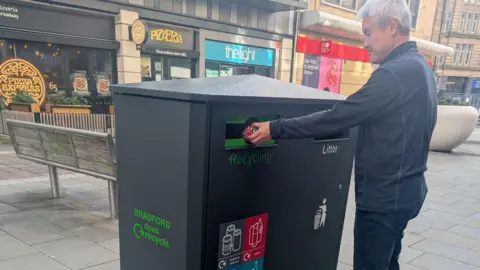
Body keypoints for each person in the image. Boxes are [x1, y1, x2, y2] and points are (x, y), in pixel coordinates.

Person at [244, 0, 437, 269]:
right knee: (387, 261)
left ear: (392, 26)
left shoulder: (394, 74)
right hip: (408, 193)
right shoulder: (421, 68)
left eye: (369, 33)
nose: (365, 43)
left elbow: (338, 117)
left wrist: (274, 128)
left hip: (384, 200)